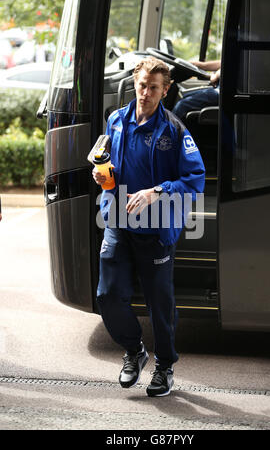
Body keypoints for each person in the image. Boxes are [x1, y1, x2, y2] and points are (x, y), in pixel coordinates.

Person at [92, 56, 205, 397]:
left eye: (153, 88)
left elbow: (195, 180)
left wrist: (157, 191)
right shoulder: (116, 120)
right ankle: (134, 351)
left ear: (165, 91)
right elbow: (104, 162)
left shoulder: (174, 131)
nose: (145, 92)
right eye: (142, 85)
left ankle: (165, 365)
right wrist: (100, 175)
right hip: (117, 221)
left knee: (160, 303)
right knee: (108, 297)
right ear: (135, 84)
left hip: (156, 228)